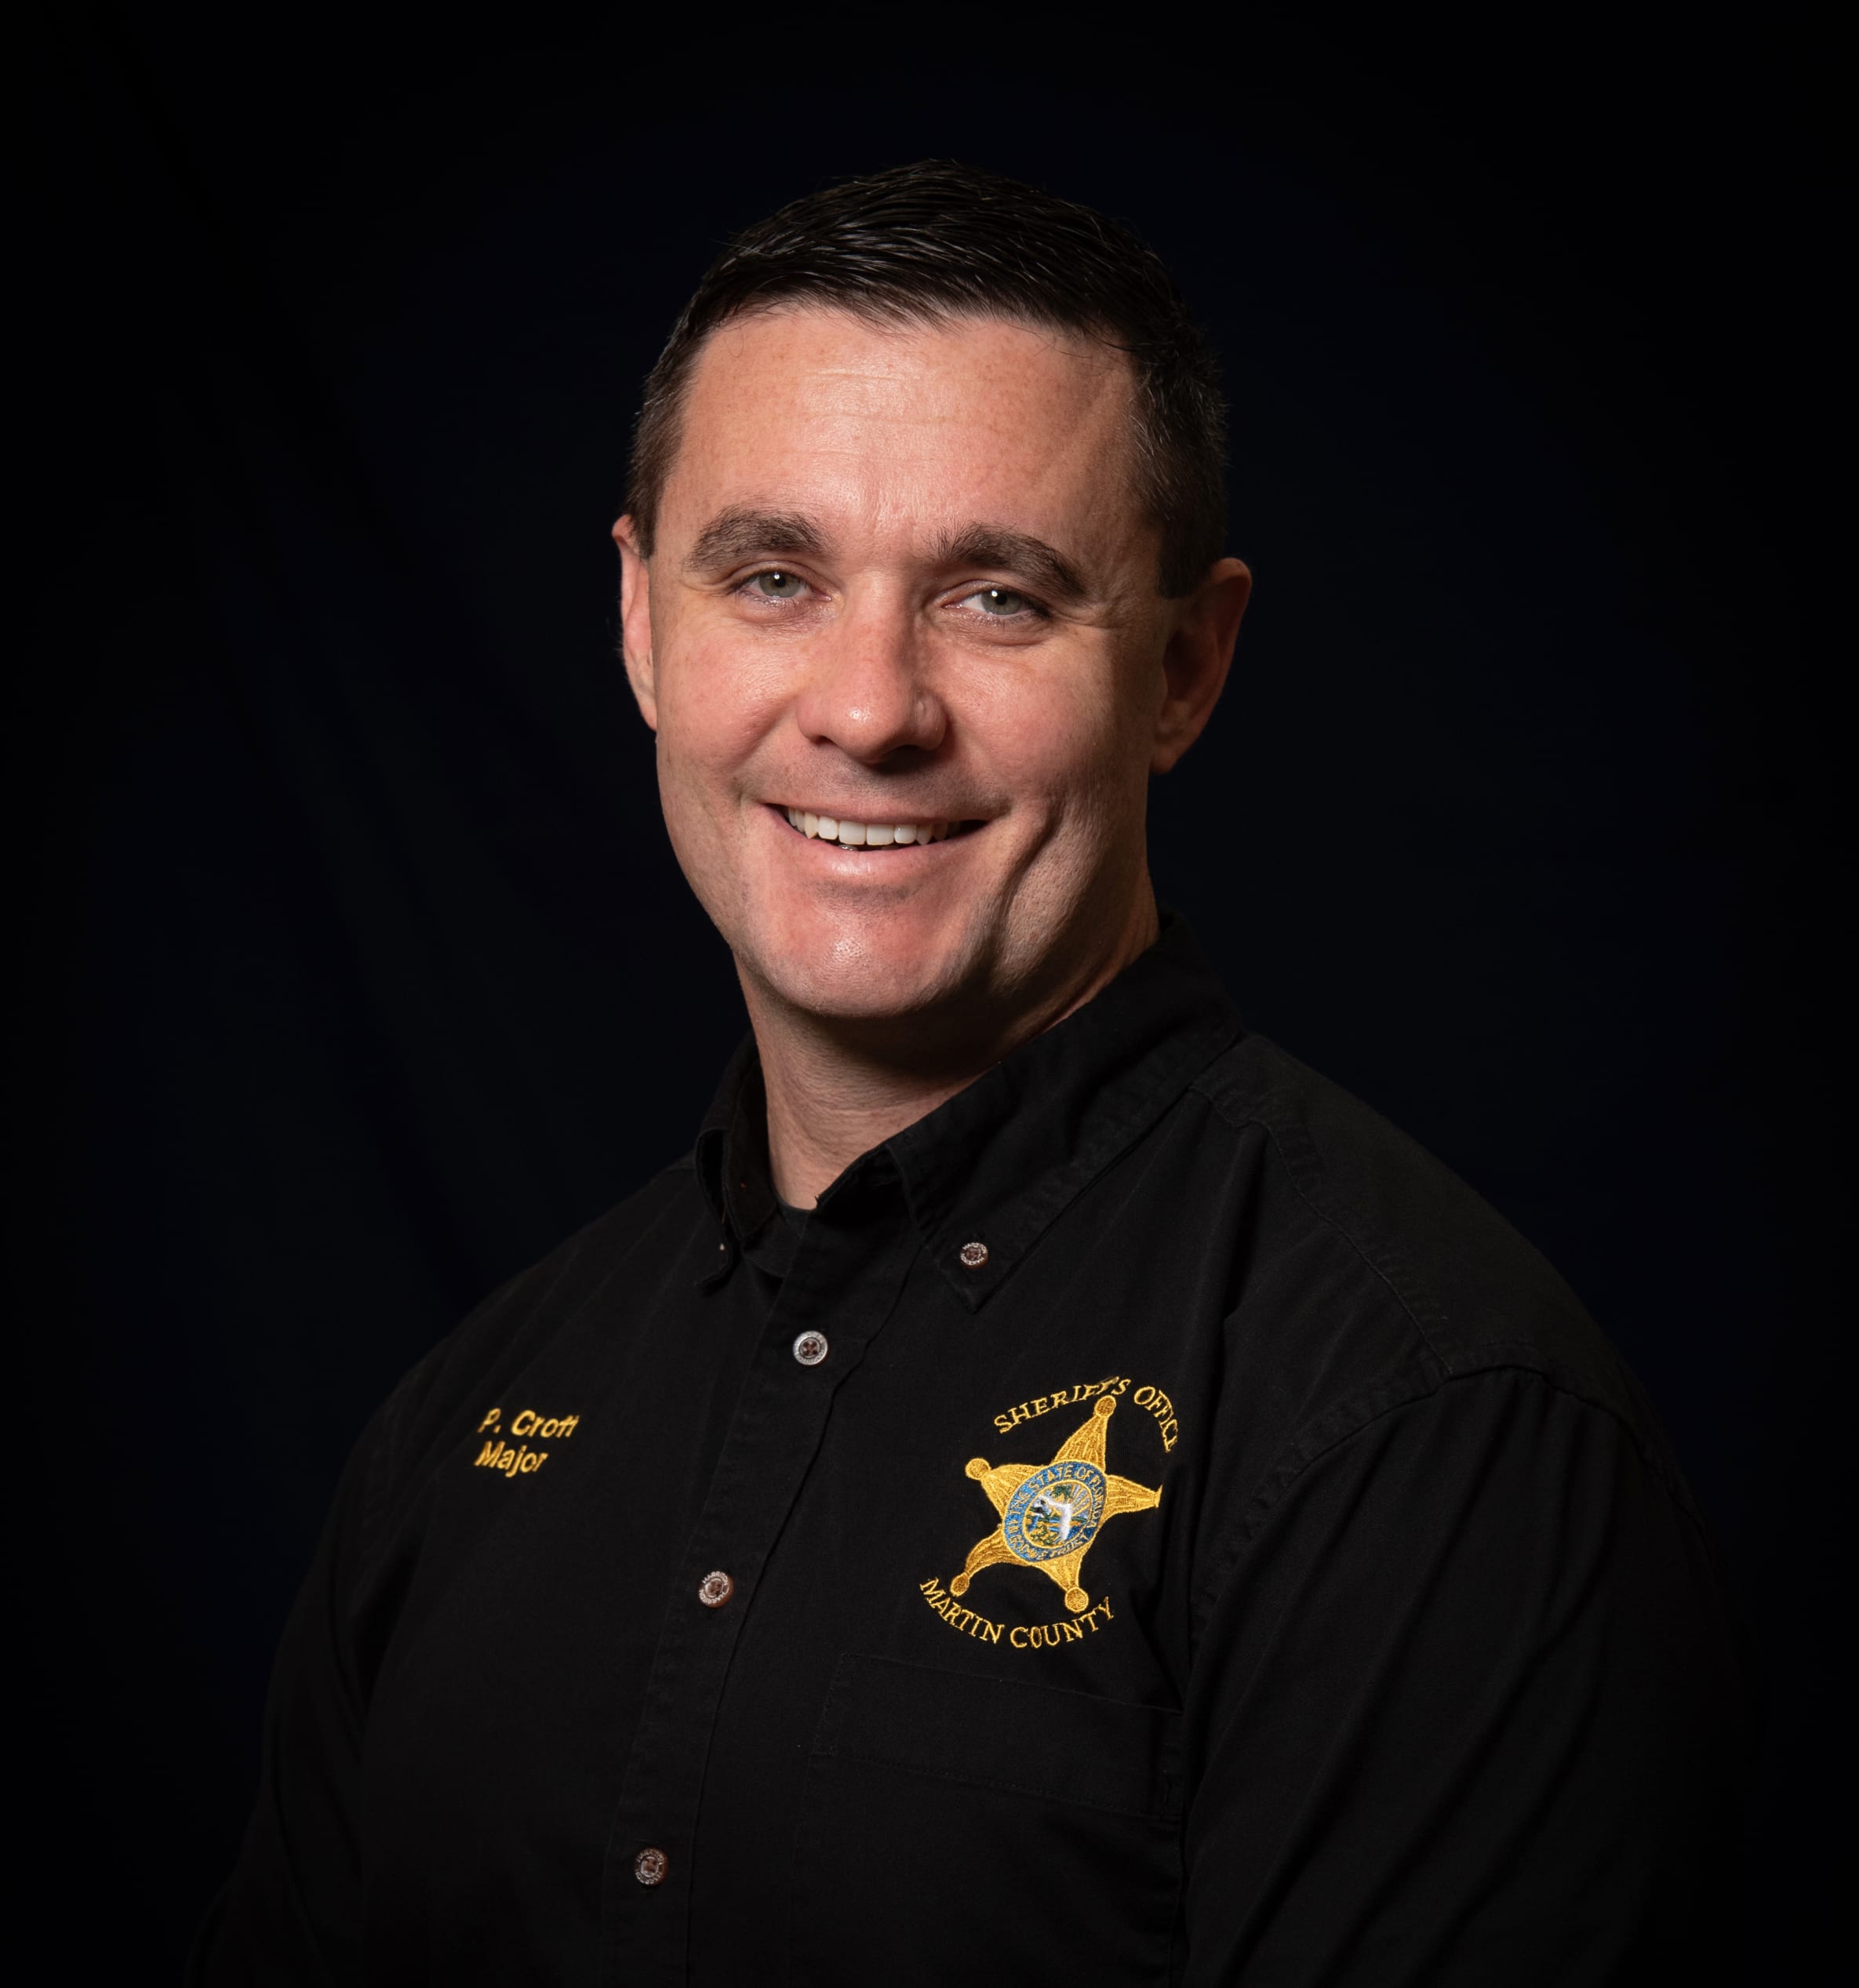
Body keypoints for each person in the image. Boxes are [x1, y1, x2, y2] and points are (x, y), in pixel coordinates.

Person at [192, 161, 1752, 1985]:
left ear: (1184, 665)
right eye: (774, 578)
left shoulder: (1433, 1427)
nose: (870, 708)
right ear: (640, 622)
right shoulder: (467, 1425)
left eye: (998, 596)